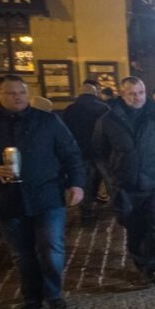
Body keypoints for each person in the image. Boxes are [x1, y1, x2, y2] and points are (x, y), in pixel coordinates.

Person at [0, 75, 85, 309]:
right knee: (23, 254)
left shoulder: (48, 121)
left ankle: (54, 294)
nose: (17, 97)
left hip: (47, 195)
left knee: (51, 248)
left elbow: (71, 153)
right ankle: (32, 299)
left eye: (21, 92)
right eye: (11, 93)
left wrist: (77, 184)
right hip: (8, 198)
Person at [93, 77, 155, 283]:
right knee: (134, 226)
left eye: (140, 92)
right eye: (132, 93)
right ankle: (141, 264)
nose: (137, 97)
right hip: (125, 184)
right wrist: (112, 176)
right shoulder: (108, 120)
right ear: (122, 94)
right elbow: (99, 152)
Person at [61, 80, 109, 221]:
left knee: (86, 181)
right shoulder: (103, 108)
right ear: (95, 93)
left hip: (80, 151)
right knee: (109, 179)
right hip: (100, 151)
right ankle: (119, 207)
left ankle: (86, 210)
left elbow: (66, 132)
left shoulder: (70, 109)